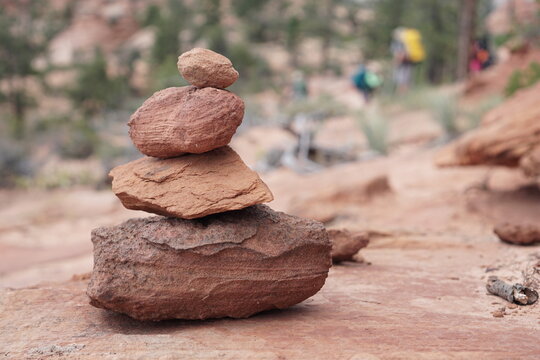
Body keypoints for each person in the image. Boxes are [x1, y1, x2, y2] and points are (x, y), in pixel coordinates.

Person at [391, 27, 425, 93]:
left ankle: (402, 94)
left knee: (402, 79)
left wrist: (396, 61)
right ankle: (407, 93)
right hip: (409, 62)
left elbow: (399, 54)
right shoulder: (406, 42)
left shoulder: (399, 43)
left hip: (402, 63)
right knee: (408, 78)